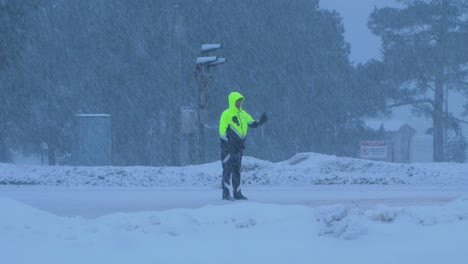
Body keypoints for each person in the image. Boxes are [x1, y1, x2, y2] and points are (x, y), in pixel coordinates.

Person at [218, 91, 267, 200]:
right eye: (237, 101)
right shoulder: (226, 114)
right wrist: (226, 145)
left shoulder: (243, 114)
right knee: (227, 170)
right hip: (228, 148)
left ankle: (237, 193)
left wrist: (260, 121)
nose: (239, 103)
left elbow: (252, 123)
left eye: (240, 101)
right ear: (232, 101)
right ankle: (226, 194)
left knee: (237, 170)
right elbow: (222, 131)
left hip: (238, 148)